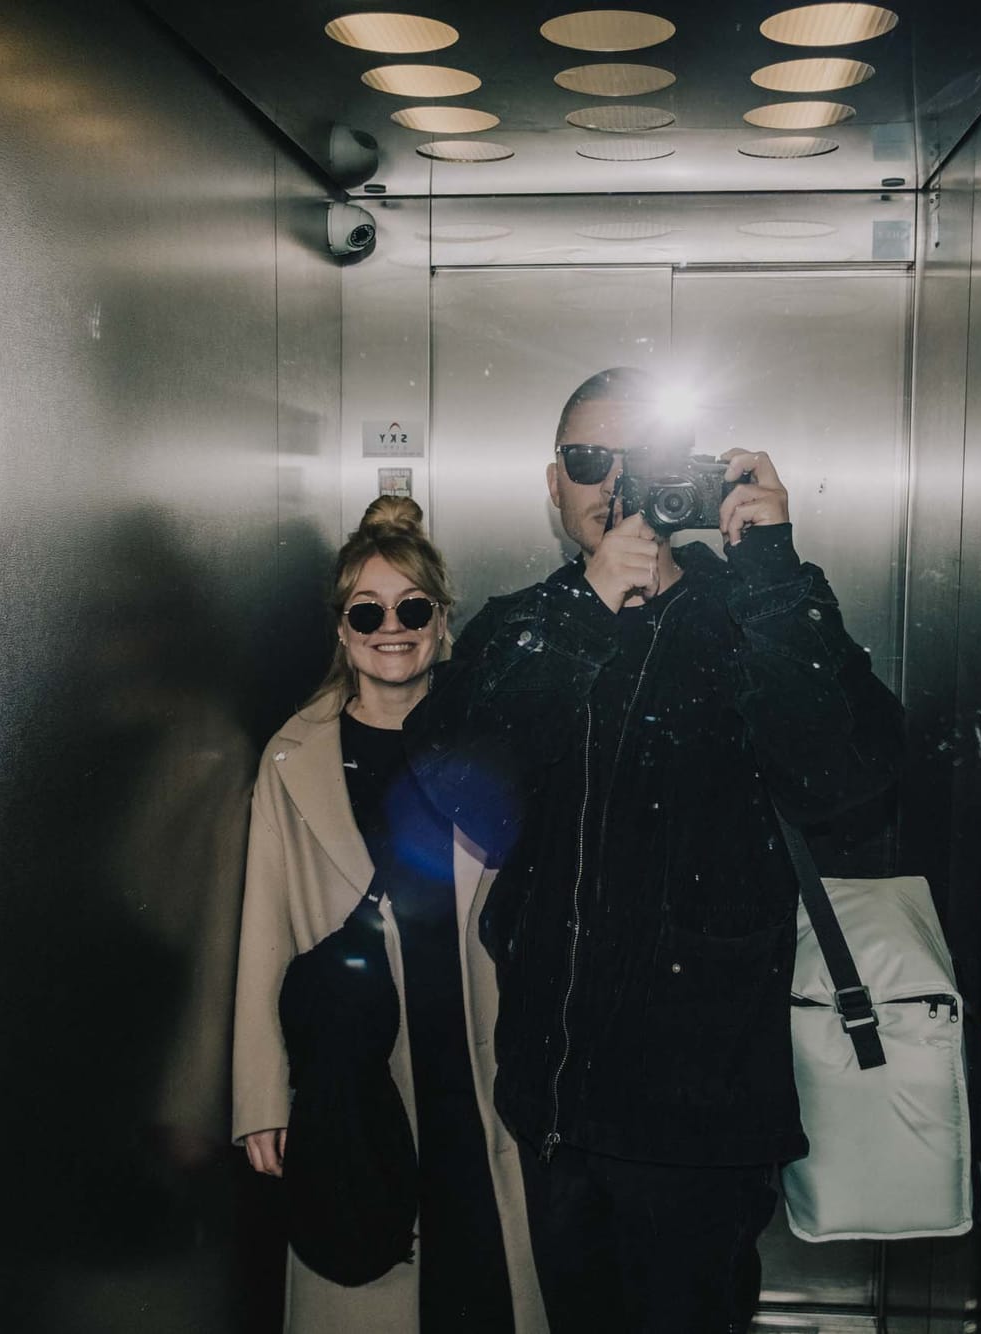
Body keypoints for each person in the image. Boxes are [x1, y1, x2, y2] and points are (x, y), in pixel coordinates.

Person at [403, 368, 905, 1334]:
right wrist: (585, 614)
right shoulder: (524, 626)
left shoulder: (753, 614)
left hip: (705, 1112)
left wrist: (771, 569)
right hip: (554, 1102)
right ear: (554, 482)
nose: (616, 483)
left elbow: (849, 783)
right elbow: (455, 792)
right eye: (590, 460)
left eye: (642, 461)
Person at [231, 497, 548, 1334]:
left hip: (483, 1051)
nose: (392, 629)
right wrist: (262, 1097)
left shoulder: (494, 739)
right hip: (361, 1066)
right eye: (367, 612)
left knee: (487, 1282)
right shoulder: (293, 757)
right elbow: (264, 930)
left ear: (443, 620)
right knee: (377, 1283)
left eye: (413, 608)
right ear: (343, 630)